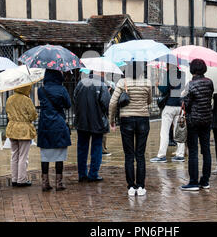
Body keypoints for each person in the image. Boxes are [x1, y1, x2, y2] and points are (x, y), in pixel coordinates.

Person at [109, 62, 152, 197]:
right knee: (140, 154)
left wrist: (111, 121)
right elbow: (149, 101)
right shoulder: (147, 82)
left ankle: (131, 187)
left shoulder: (122, 82)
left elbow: (112, 103)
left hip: (126, 119)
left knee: (129, 155)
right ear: (140, 70)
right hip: (143, 119)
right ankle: (141, 186)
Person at [180, 59, 214, 191]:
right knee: (206, 150)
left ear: (192, 70)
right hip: (207, 119)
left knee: (193, 151)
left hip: (193, 121)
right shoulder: (209, 82)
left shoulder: (190, 85)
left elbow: (187, 105)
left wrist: (183, 97)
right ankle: (205, 180)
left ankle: (193, 181)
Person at [37, 69, 72, 191]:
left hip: (45, 124)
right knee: (59, 154)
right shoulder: (62, 89)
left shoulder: (41, 90)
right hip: (58, 123)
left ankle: (45, 183)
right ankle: (59, 183)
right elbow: (68, 104)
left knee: (45, 154)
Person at [74, 71, 111, 182]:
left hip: (82, 121)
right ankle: (93, 174)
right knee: (96, 148)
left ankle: (82, 174)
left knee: (82, 148)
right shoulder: (101, 85)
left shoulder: (80, 83)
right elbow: (106, 104)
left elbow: (75, 99)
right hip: (97, 122)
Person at [151, 64, 186, 163]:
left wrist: (158, 85)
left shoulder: (169, 73)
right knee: (179, 131)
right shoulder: (183, 74)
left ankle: (161, 155)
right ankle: (180, 154)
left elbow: (165, 89)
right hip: (179, 106)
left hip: (170, 105)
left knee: (164, 132)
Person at [5, 84, 38, 187]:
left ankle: (14, 179)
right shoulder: (26, 100)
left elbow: (7, 112)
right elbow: (33, 115)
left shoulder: (9, 99)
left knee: (14, 154)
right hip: (24, 130)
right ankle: (21, 179)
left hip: (12, 128)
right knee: (23, 156)